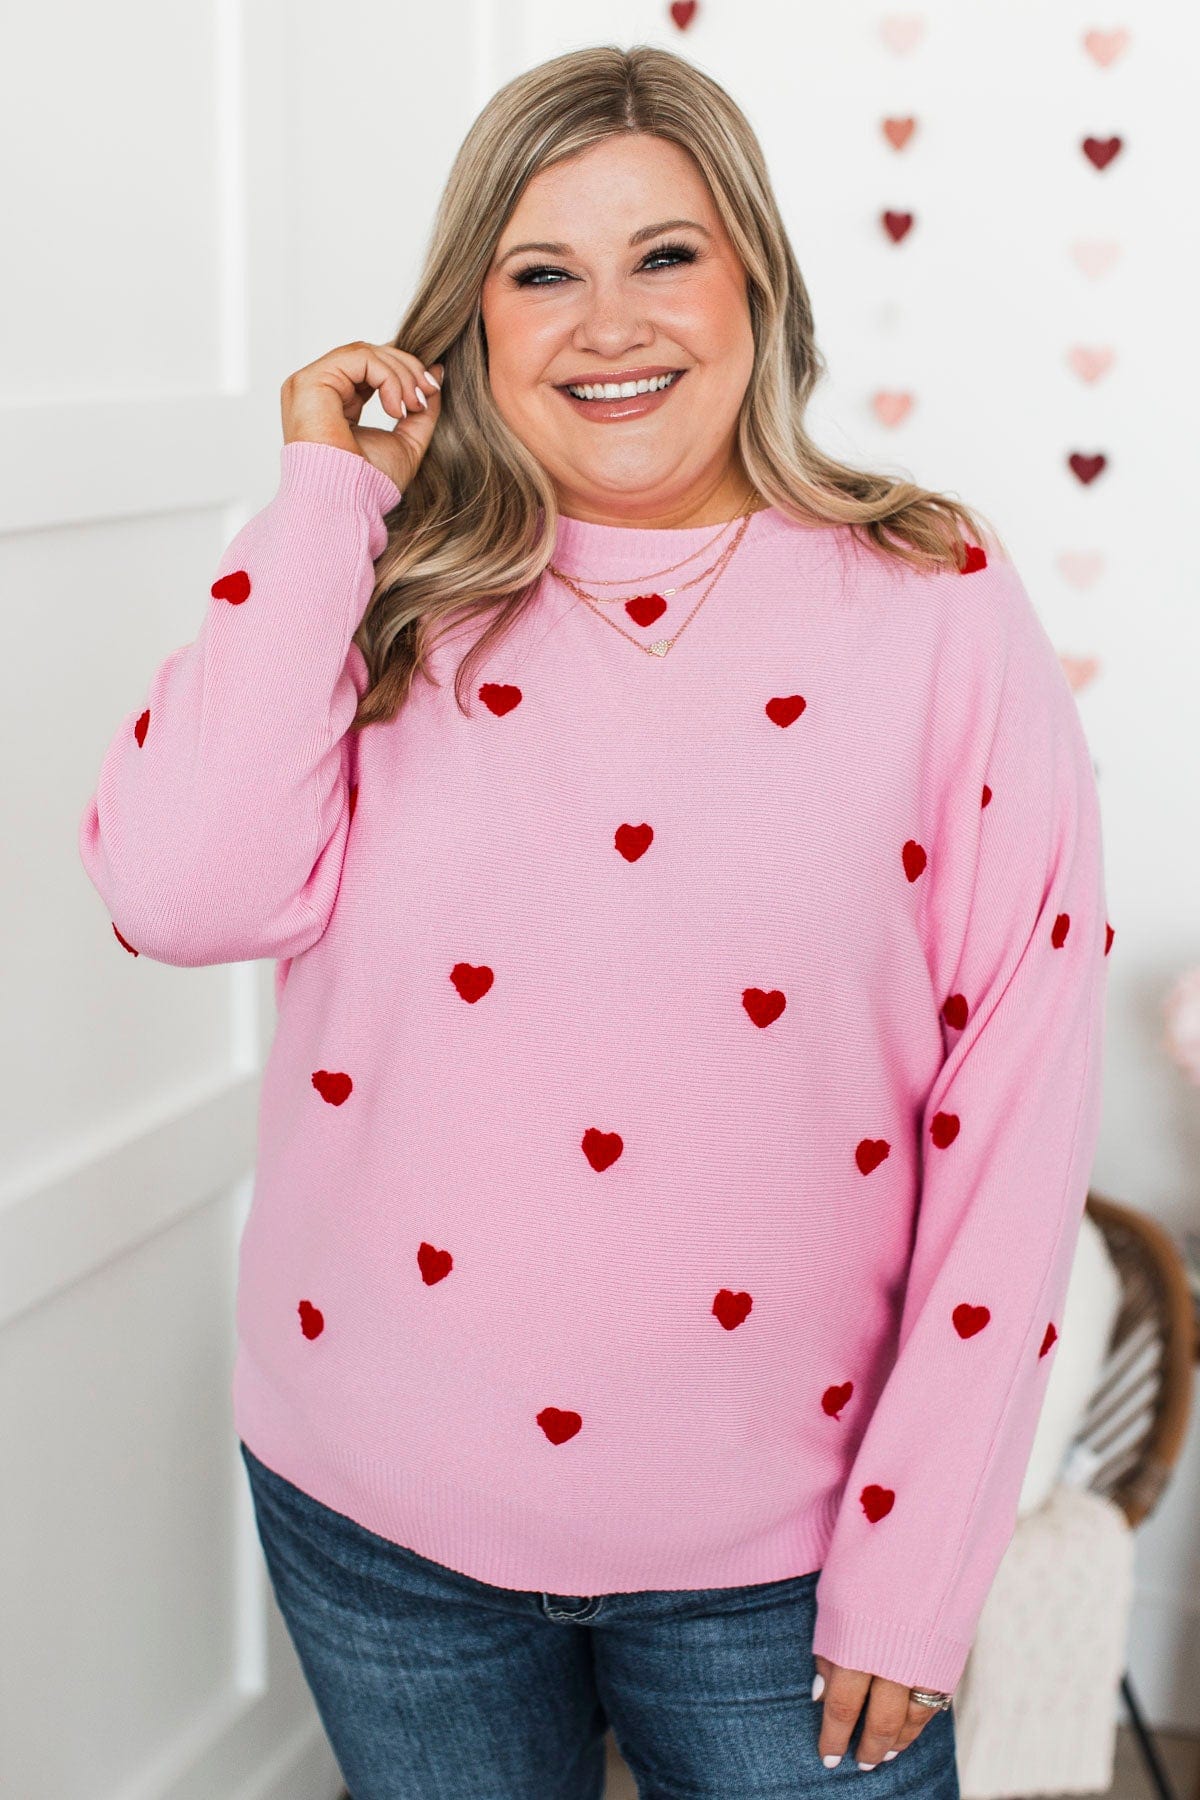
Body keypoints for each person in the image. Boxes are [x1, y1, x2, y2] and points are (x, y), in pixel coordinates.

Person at [77, 42, 1110, 1800]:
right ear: (471, 322)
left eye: (666, 255)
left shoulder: (933, 592)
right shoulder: (383, 586)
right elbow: (180, 894)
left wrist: (922, 1553)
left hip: (785, 1564)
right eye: (542, 271)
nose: (608, 323)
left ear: (756, 278)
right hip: (375, 1519)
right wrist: (330, 496)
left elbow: (1018, 1090)